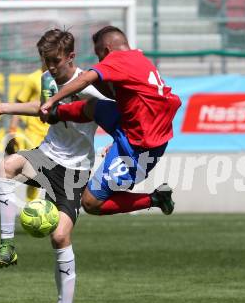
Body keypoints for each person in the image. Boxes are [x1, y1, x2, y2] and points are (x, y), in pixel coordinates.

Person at [0, 28, 107, 303]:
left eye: (55, 61)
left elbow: (113, 115)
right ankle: (7, 244)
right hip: (47, 155)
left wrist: (114, 149)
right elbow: (43, 109)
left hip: (75, 172)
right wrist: (4, 108)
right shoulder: (48, 81)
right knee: (7, 166)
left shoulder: (90, 87)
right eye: (45, 61)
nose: (50, 67)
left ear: (71, 57)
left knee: (60, 237)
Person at [40, 26, 182, 216]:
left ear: (106, 50)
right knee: (93, 107)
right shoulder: (137, 58)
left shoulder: (117, 59)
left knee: (91, 203)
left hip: (139, 147)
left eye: (99, 56)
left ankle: (155, 198)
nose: (100, 61)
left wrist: (51, 100)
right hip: (131, 124)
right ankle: (57, 113)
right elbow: (115, 94)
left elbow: (86, 79)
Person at [6, 62, 48, 202]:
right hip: (34, 133)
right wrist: (12, 129)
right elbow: (19, 103)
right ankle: (31, 206)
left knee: (55, 173)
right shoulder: (32, 79)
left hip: (54, 132)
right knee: (33, 172)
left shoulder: (60, 79)